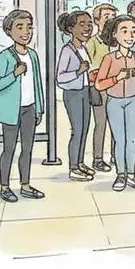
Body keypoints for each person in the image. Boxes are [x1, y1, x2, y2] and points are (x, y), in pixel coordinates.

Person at [0, 9, 46, 203]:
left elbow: (38, 84)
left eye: (29, 27)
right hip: (11, 111)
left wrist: (40, 108)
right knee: (9, 149)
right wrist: (14, 74)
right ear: (9, 30)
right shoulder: (5, 56)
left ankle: (25, 185)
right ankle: (5, 186)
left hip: (29, 109)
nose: (26, 31)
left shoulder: (32, 55)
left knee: (28, 148)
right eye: (20, 27)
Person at [95, 15, 135, 192]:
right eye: (124, 31)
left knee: (132, 140)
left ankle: (131, 174)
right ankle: (120, 174)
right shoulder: (109, 58)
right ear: (115, 35)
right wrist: (116, 78)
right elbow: (99, 84)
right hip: (115, 102)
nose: (130, 35)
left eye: (134, 31)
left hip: (133, 100)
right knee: (120, 140)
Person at [55, 10, 96, 182]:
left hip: (85, 91)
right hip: (73, 94)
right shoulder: (67, 50)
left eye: (89, 24)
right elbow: (60, 77)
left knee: (84, 130)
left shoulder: (83, 48)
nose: (87, 28)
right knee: (77, 130)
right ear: (71, 29)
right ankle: (73, 168)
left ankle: (79, 162)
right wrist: (78, 72)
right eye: (82, 24)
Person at [86, 3, 117, 172]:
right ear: (97, 20)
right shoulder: (93, 42)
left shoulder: (117, 41)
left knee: (116, 124)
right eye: (106, 17)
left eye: (113, 17)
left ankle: (115, 155)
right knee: (101, 124)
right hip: (100, 88)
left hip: (118, 88)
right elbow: (87, 65)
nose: (110, 20)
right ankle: (98, 158)